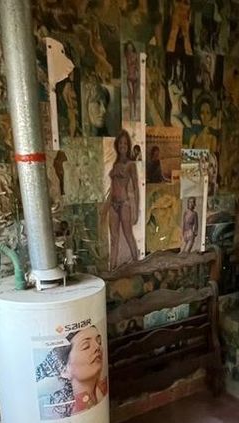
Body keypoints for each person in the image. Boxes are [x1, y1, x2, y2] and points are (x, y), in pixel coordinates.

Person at [36, 326, 108, 418]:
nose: (97, 347)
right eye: (86, 346)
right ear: (64, 370)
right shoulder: (70, 411)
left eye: (99, 342)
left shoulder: (103, 388)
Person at [107, 130, 140, 267]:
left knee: (128, 235)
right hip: (113, 204)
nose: (122, 145)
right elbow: (113, 186)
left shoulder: (131, 164)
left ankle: (137, 265)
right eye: (120, 143)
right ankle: (112, 269)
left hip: (124, 204)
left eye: (125, 143)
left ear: (128, 145)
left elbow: (136, 188)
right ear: (117, 144)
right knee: (114, 239)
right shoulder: (115, 164)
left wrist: (136, 210)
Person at [124, 42, 140, 120]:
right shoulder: (127, 56)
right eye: (128, 48)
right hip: (129, 77)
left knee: (135, 95)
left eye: (130, 47)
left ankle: (134, 111)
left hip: (135, 77)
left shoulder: (136, 55)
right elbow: (128, 66)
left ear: (132, 47)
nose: (129, 49)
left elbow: (138, 67)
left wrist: (136, 65)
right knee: (131, 93)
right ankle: (131, 111)